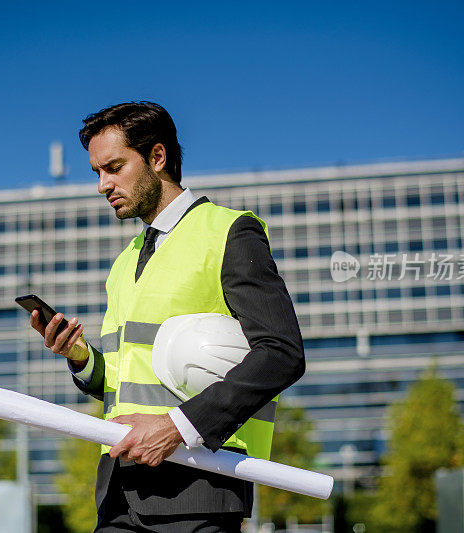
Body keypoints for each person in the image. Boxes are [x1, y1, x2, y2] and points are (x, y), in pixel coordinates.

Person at [30, 101, 305, 532]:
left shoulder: (229, 232)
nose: (103, 185)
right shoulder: (123, 264)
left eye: (114, 167)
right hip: (119, 491)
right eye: (96, 173)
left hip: (196, 482)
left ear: (157, 158)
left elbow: (282, 353)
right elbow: (126, 380)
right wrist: (82, 357)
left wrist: (177, 427)